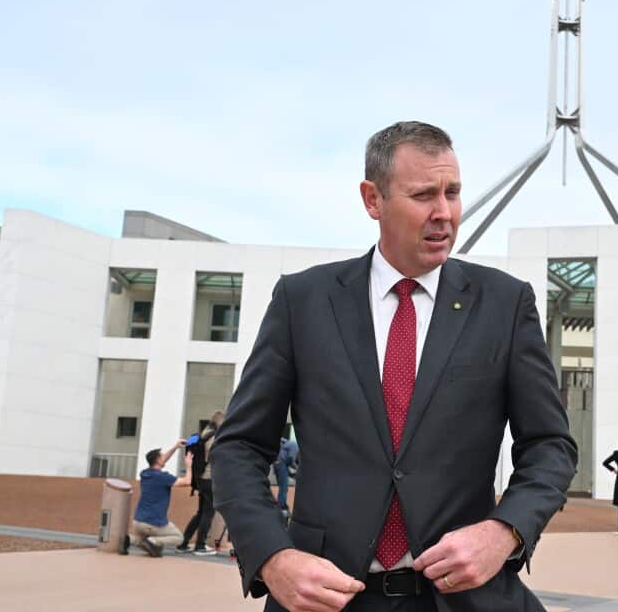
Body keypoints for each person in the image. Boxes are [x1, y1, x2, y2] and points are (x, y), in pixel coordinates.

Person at [212, 121, 578, 611]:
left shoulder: (505, 304)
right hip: (327, 601)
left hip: (465, 600)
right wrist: (273, 558)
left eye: (452, 192)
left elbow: (550, 445)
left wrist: (503, 531)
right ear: (373, 200)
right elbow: (239, 447)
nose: (444, 213)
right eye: (423, 195)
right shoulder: (303, 302)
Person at [129, 440, 193, 557]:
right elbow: (187, 481)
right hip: (152, 523)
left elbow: (162, 461)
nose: (164, 457)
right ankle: (154, 541)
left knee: (151, 547)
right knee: (179, 537)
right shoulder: (163, 477)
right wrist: (189, 465)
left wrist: (175, 447)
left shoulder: (145, 473)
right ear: (158, 460)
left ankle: (130, 539)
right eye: (162, 456)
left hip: (138, 523)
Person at [178, 411, 223, 556]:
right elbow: (216, 456)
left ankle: (184, 543)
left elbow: (189, 448)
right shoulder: (215, 436)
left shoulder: (199, 435)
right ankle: (200, 546)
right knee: (208, 513)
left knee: (200, 513)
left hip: (199, 479)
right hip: (210, 479)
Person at [273, 436, 299, 516]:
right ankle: (281, 509)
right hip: (281, 464)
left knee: (283, 487)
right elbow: (291, 459)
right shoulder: (296, 446)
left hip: (277, 464)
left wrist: (292, 474)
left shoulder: (289, 443)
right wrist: (297, 468)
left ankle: (283, 506)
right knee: (283, 488)